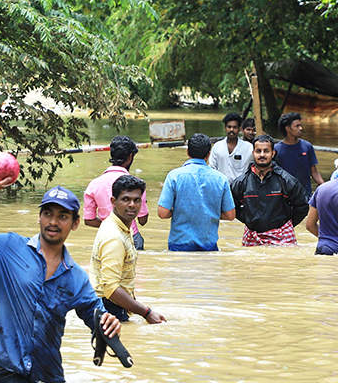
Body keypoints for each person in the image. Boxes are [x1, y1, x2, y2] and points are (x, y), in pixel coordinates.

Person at [0, 177, 124, 383]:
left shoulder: (75, 276)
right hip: (7, 367)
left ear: (75, 223)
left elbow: (96, 316)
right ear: (39, 217)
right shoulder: (6, 249)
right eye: (47, 214)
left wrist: (110, 322)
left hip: (49, 375)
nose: (53, 222)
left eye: (62, 216)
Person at [91, 175, 167, 323]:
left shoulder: (123, 227)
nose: (132, 205)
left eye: (136, 200)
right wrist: (146, 312)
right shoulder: (114, 236)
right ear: (113, 202)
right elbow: (111, 289)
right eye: (126, 199)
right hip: (108, 309)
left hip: (111, 307)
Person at [157, 132, 236, 251]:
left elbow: (162, 213)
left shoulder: (174, 176)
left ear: (187, 152)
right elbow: (230, 215)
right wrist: (208, 212)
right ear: (208, 155)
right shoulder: (221, 179)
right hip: (209, 246)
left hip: (179, 245)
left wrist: (182, 211)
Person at [229, 134, 309, 246]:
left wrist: (286, 224)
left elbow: (302, 206)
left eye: (266, 151)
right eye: (258, 151)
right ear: (253, 153)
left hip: (282, 236)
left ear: (273, 153)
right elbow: (231, 206)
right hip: (252, 236)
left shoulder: (287, 181)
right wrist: (249, 220)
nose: (262, 155)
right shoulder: (241, 182)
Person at [84, 135, 148, 249]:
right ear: (130, 157)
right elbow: (143, 220)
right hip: (131, 236)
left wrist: (108, 223)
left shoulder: (94, 184)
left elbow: (89, 220)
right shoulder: (136, 185)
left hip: (106, 236)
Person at [273, 112, 323, 195]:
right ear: (288, 128)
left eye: (300, 125)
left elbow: (314, 172)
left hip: (305, 194)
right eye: (297, 126)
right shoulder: (276, 149)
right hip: (284, 195)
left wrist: (324, 186)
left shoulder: (307, 146)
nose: (301, 128)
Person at [208, 112, 253, 181]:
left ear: (239, 129)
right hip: (221, 187)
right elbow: (212, 168)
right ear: (225, 128)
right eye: (229, 127)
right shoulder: (217, 147)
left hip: (241, 188)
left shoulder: (249, 148)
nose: (231, 130)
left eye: (234, 127)